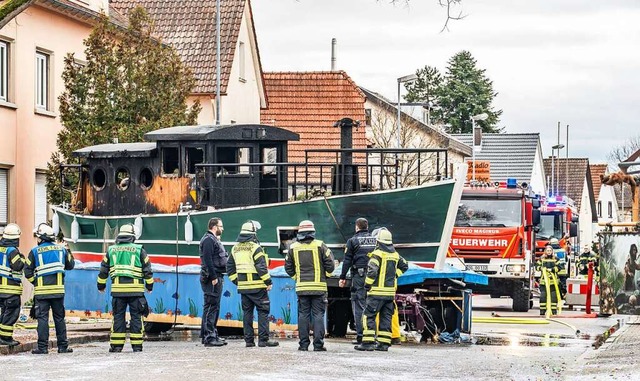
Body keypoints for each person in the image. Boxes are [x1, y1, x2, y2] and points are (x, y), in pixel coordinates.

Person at [97, 224, 153, 353]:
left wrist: (101, 286)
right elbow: (147, 270)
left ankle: (116, 346)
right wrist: (149, 286)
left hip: (118, 291)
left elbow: (103, 270)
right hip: (136, 291)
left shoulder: (111, 250)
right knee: (136, 318)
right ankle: (137, 346)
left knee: (118, 317)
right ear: (132, 236)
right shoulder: (139, 250)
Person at [24, 223, 75, 354]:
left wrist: (35, 282)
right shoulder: (61, 250)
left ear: (42, 238)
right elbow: (70, 265)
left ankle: (42, 348)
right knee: (59, 318)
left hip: (42, 293)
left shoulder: (35, 251)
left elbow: (27, 271)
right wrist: (68, 250)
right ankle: (63, 347)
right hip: (58, 292)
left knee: (42, 319)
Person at [227, 221, 279, 348]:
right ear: (253, 234)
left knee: (247, 313)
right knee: (263, 312)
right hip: (258, 287)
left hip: (244, 288)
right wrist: (268, 282)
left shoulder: (235, 248)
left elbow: (229, 267)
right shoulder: (256, 248)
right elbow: (261, 267)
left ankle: (249, 341)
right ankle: (263, 340)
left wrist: (237, 281)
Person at [285, 220, 335, 351]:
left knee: (303, 315)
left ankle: (303, 345)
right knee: (318, 315)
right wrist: (326, 276)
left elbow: (288, 267)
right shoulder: (320, 245)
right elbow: (331, 265)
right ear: (313, 232)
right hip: (319, 287)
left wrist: (297, 278)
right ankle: (318, 345)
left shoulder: (293, 247)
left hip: (302, 288)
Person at [355, 229, 408, 352]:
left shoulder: (377, 254)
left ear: (378, 241)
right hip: (389, 294)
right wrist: (395, 275)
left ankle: (368, 342)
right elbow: (405, 266)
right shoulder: (395, 255)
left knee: (368, 316)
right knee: (386, 318)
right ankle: (384, 344)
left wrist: (367, 285)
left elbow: (372, 271)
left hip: (376, 293)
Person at [339, 217, 376, 345]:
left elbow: (347, 260)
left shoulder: (352, 241)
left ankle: (361, 336)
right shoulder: (375, 240)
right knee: (371, 304)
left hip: (359, 276)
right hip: (374, 275)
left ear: (356, 227)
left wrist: (342, 277)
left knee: (359, 305)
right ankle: (372, 335)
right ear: (367, 227)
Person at [199, 217, 228, 347]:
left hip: (216, 276)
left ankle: (211, 334)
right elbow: (208, 260)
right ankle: (209, 337)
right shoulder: (208, 240)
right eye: (221, 226)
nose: (222, 229)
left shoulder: (213, 239)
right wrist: (213, 276)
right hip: (212, 278)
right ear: (214, 227)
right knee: (211, 306)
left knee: (214, 306)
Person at [0, 223, 25, 346]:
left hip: (1, 290)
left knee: (4, 312)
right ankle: (5, 338)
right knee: (11, 314)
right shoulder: (12, 251)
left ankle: (2, 336)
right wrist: (23, 258)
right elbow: (18, 266)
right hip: (10, 290)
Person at [536, 245, 561, 316]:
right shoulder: (542, 259)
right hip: (544, 281)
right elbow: (536, 266)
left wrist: (552, 270)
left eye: (550, 251)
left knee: (553, 297)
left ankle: (553, 311)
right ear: (545, 251)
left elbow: (559, 267)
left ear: (552, 251)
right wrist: (541, 269)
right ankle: (542, 311)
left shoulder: (556, 259)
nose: (549, 252)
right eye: (548, 251)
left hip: (553, 282)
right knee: (543, 296)